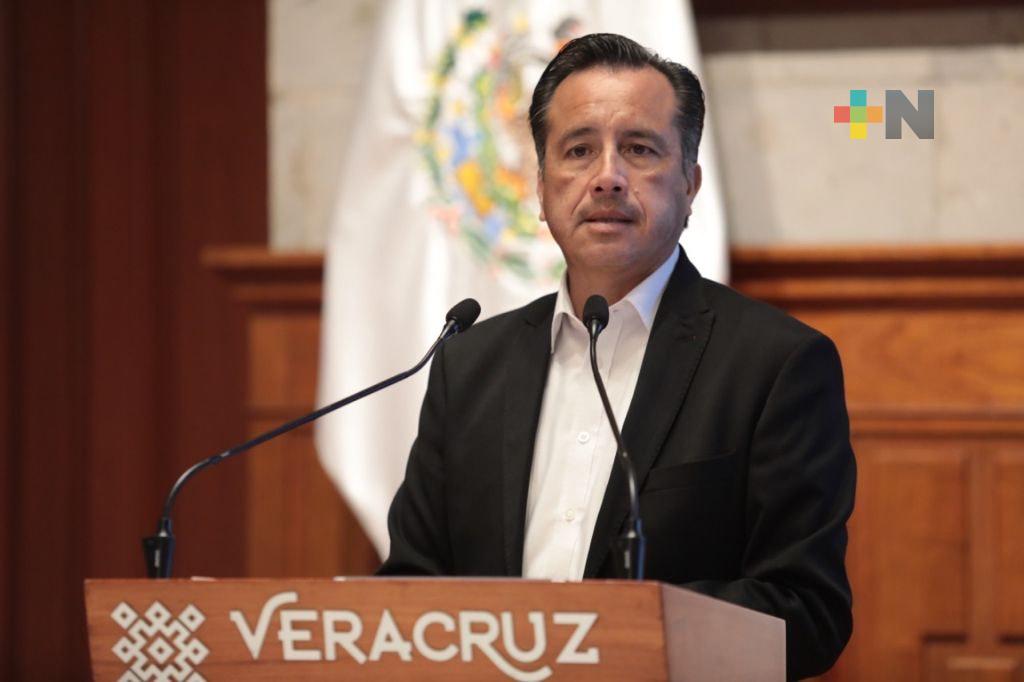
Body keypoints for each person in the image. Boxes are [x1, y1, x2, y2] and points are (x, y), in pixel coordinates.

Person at [379, 33, 856, 679]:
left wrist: (611, 635)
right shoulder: (469, 366)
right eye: (579, 150)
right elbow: (410, 584)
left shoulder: (775, 365)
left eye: (639, 149)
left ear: (689, 185)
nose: (607, 176)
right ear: (541, 188)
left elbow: (807, 612)